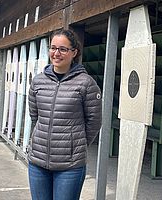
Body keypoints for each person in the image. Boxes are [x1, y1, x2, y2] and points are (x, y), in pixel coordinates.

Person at [27, 29, 102, 200]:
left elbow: (94, 121)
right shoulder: (38, 81)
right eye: (53, 48)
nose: (56, 53)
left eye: (63, 49)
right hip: (38, 162)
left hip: (70, 166)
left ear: (74, 52)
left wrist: (75, 144)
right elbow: (35, 116)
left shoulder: (86, 84)